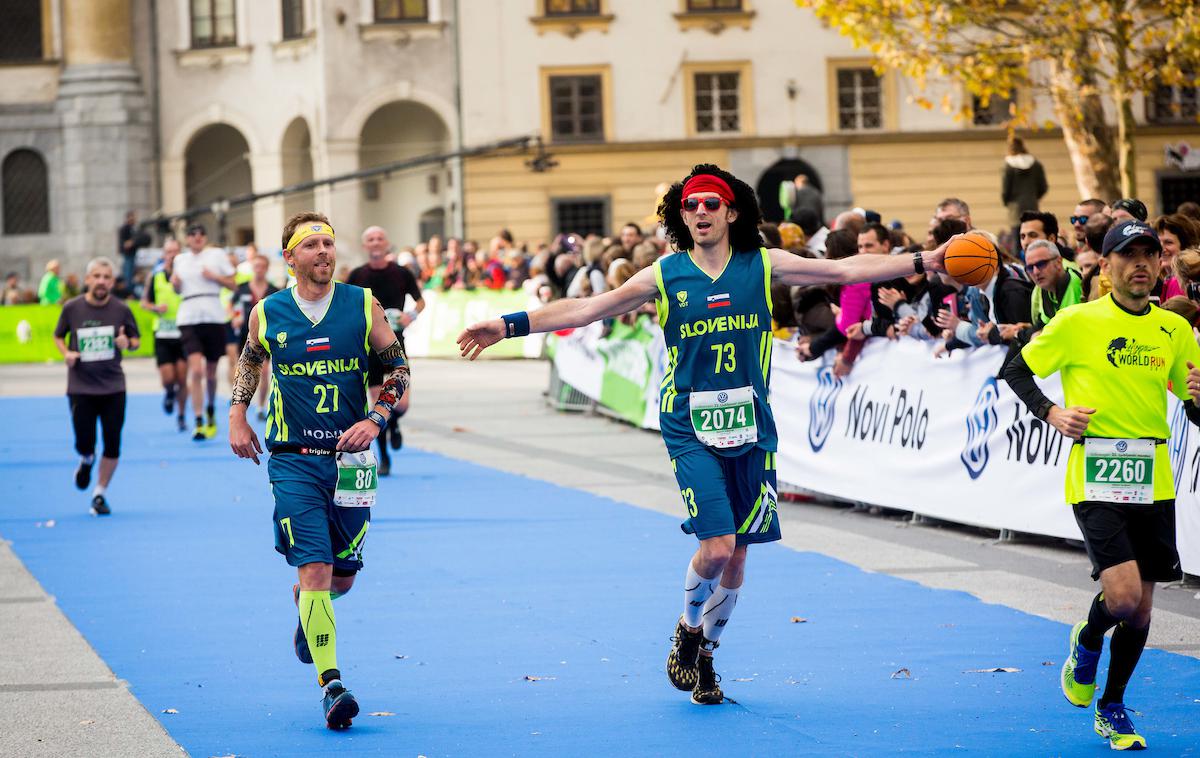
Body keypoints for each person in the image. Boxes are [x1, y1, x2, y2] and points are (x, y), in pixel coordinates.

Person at [456, 164, 948, 706]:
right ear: (681, 216)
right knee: (716, 547)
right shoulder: (665, 275)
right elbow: (587, 308)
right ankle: (688, 628)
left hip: (751, 426)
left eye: (712, 203)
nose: (701, 213)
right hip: (689, 425)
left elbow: (842, 271)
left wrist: (926, 260)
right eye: (691, 206)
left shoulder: (762, 265)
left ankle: (708, 654)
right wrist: (507, 325)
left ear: (731, 212)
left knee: (738, 557)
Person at [1002, 219, 1200, 751]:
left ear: (1161, 265)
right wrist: (1053, 412)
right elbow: (1015, 370)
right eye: (1127, 254)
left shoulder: (1175, 330)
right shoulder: (1076, 321)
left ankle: (1112, 706)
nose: (1140, 263)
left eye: (1149, 254)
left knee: (1141, 610)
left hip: (1153, 477)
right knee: (1123, 595)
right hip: (1096, 475)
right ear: (1107, 266)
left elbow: (1194, 407)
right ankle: (1086, 639)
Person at [228, 211, 410, 730]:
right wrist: (238, 415)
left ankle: (308, 611)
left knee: (342, 580)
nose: (324, 253)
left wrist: (375, 419)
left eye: (329, 244)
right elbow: (250, 360)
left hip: (352, 462)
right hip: (293, 460)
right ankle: (332, 684)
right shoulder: (268, 311)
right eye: (312, 246)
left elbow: (398, 368)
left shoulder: (362, 304)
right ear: (291, 258)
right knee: (314, 568)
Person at [52, 257, 140, 516]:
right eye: (97, 276)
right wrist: (66, 352)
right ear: (88, 279)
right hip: (81, 387)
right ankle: (86, 459)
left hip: (114, 386)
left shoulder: (121, 309)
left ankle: (99, 493)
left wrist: (127, 343)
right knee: (85, 442)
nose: (101, 281)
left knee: (113, 444)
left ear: (112, 282)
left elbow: (135, 340)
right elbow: (58, 335)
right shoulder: (72, 308)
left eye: (106, 277)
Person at [346, 225, 424, 476]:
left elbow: (421, 301)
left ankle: (395, 425)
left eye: (380, 238)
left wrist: (409, 316)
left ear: (387, 243)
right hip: (369, 348)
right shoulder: (357, 275)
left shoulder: (401, 273)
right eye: (371, 239)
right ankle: (385, 457)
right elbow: (345, 304)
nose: (376, 242)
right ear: (365, 245)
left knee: (401, 405)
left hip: (396, 345)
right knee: (379, 402)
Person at [173, 223, 236, 441]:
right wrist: (175, 284)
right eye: (192, 234)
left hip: (213, 315)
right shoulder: (180, 259)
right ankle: (198, 420)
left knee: (210, 372)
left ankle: (210, 408)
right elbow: (176, 289)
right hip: (188, 317)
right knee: (196, 370)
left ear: (205, 238)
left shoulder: (217, 255)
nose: (197, 237)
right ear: (187, 239)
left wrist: (215, 277)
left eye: (201, 234)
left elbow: (234, 285)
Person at [141, 238, 189, 431]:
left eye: (176, 251)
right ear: (164, 254)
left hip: (184, 331)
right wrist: (155, 308)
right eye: (169, 252)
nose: (172, 255)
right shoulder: (155, 276)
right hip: (162, 332)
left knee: (183, 378)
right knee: (169, 378)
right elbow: (144, 302)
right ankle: (169, 393)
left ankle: (181, 416)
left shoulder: (187, 275)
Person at [232, 253, 280, 421]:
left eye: (262, 266)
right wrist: (235, 318)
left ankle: (260, 406)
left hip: (265, 336)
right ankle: (241, 402)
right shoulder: (242, 288)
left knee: (265, 371)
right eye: (256, 266)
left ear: (266, 269)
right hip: (244, 336)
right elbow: (234, 307)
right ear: (253, 268)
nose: (259, 270)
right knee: (244, 369)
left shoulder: (274, 291)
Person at [1002, 138, 1048, 254]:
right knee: (1035, 238)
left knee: (1017, 242)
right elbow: (1043, 186)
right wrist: (1034, 197)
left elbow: (1006, 188)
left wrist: (1007, 201)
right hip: (1032, 206)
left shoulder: (1008, 166)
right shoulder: (1035, 164)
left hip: (1015, 209)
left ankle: (1019, 266)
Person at [118, 211, 140, 289]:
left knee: (131, 272)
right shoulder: (125, 228)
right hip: (128, 254)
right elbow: (124, 243)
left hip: (132, 254)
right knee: (128, 272)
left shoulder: (133, 228)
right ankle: (128, 288)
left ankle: (130, 287)